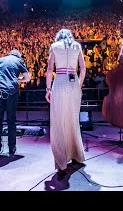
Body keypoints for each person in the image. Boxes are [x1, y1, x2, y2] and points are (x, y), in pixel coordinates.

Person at [45, 29, 86, 177]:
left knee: (58, 122)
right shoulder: (77, 46)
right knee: (73, 120)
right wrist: (78, 85)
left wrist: (48, 89)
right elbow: (83, 68)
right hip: (73, 82)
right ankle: (77, 155)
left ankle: (62, 162)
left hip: (60, 82)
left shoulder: (54, 46)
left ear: (58, 37)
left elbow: (50, 69)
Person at [0, 49, 30, 157]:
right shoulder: (18, 61)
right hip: (11, 93)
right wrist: (17, 80)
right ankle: (11, 149)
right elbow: (27, 78)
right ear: (18, 56)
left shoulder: (0, 60)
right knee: (11, 121)